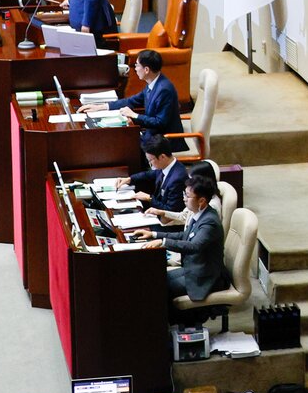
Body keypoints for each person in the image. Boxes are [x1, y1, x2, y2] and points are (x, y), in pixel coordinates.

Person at [134, 169, 229, 302]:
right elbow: (184, 235)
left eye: (187, 196)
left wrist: (163, 242)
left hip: (206, 276)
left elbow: (194, 246)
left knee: (157, 287)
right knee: (155, 278)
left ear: (201, 201)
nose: (183, 198)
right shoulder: (199, 214)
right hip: (193, 268)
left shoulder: (209, 221)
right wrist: (154, 234)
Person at [80, 49, 183, 137]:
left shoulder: (164, 90)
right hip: (152, 134)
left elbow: (160, 122)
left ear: (146, 70)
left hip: (164, 141)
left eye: (137, 65)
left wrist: (134, 115)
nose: (135, 69)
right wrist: (100, 107)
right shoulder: (154, 82)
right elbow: (132, 101)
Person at [115, 135, 188, 214]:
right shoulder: (166, 165)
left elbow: (171, 211)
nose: (150, 164)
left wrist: (149, 198)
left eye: (150, 160)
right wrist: (129, 179)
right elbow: (149, 174)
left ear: (162, 157)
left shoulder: (177, 179)